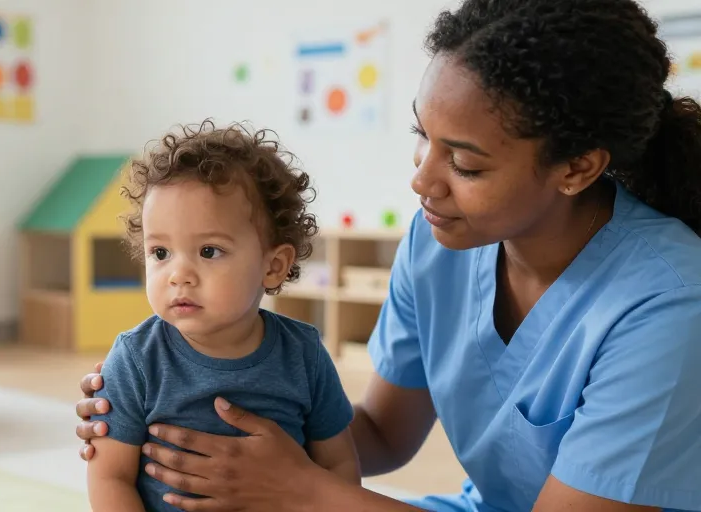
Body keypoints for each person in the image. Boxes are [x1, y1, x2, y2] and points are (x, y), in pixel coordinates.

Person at [74, 0, 701, 510]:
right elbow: (378, 435)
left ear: (578, 167)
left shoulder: (667, 302)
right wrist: (171, 430)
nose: (422, 181)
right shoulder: (438, 245)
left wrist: (300, 488)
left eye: (464, 162)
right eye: (422, 138)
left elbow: (320, 485)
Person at [85, 120, 360, 512]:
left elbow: (338, 461)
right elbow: (109, 477)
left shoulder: (303, 355)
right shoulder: (136, 360)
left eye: (209, 251)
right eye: (160, 253)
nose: (178, 274)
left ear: (274, 265)